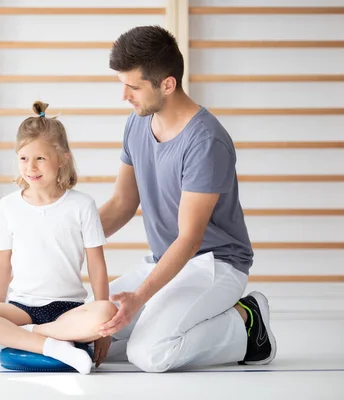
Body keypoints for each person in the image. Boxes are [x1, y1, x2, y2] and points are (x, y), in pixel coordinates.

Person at [93, 25, 277, 372]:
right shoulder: (136, 123)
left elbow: (190, 239)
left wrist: (139, 298)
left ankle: (246, 322)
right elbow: (121, 205)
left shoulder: (206, 142)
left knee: (150, 355)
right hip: (165, 261)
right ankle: (157, 325)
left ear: (167, 84)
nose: (124, 96)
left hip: (214, 265)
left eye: (133, 87)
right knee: (89, 336)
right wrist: (69, 238)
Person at [0, 101, 118, 375]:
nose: (31, 167)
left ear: (63, 157)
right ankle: (52, 345)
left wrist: (104, 330)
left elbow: (97, 265)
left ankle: (27, 335)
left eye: (40, 158)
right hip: (21, 308)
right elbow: (2, 264)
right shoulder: (8, 206)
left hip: (68, 311)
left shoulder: (82, 205)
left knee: (106, 312)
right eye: (23, 158)